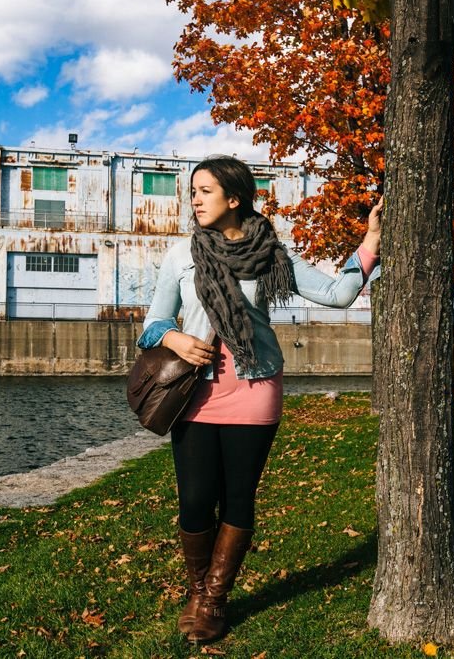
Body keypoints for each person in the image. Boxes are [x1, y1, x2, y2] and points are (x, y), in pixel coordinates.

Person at [137, 155, 381, 644]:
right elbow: (153, 324)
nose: (195, 200)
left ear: (234, 198)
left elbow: (337, 294)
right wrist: (176, 339)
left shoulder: (271, 254)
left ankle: (212, 601)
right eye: (193, 191)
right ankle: (197, 588)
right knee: (195, 499)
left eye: (205, 191)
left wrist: (370, 242)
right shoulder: (180, 256)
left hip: (254, 388)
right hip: (195, 393)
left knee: (238, 498)